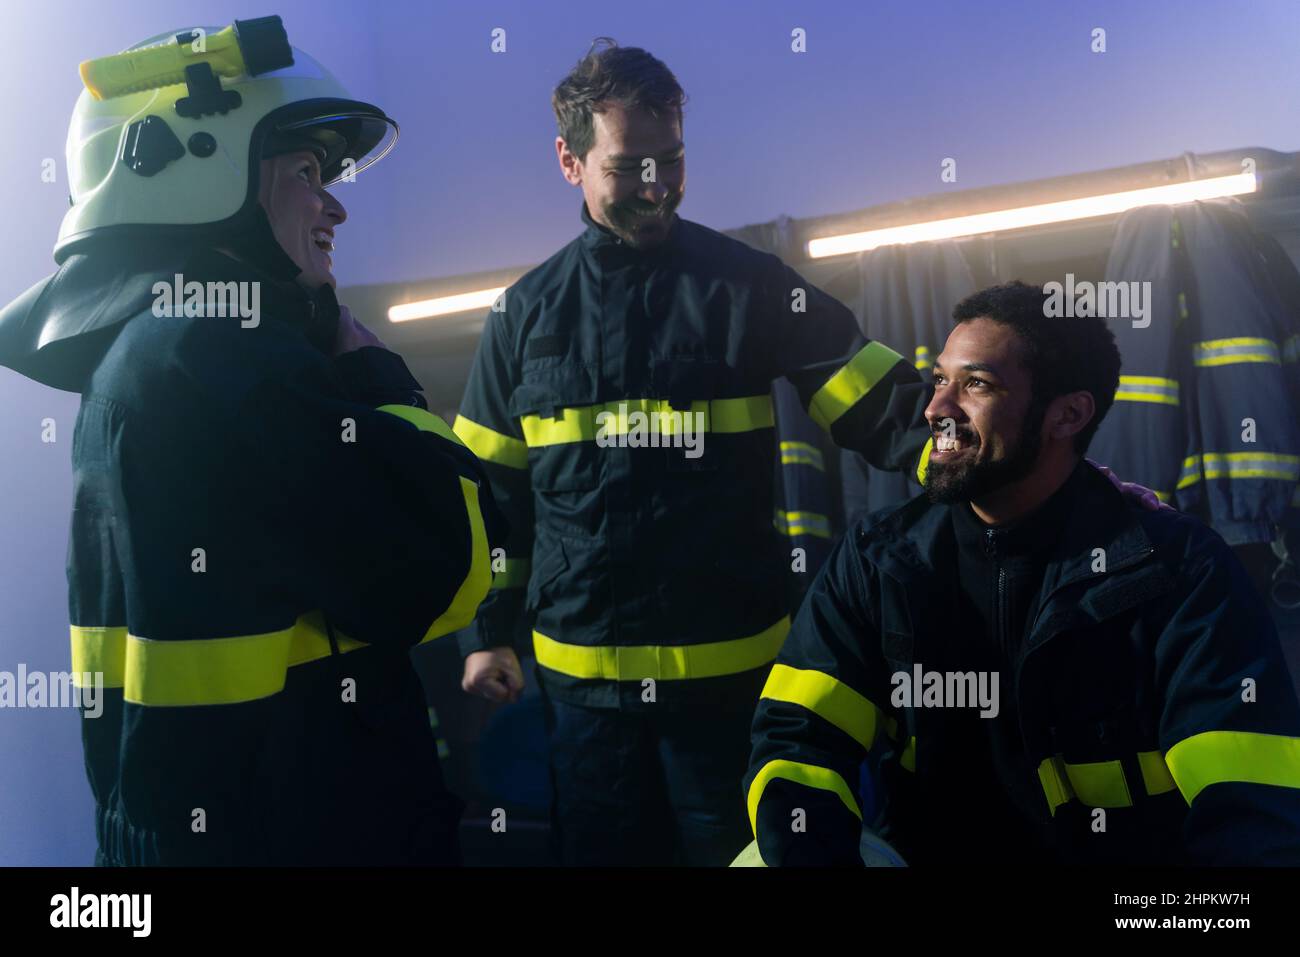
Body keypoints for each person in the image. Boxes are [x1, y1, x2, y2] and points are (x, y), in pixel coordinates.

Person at [452, 40, 1159, 866]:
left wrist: (1062, 486)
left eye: (672, 160)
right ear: (570, 162)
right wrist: (486, 635)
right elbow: (488, 499)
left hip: (732, 699)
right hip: (582, 710)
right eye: (630, 166)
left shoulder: (748, 286)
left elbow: (889, 408)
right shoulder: (522, 317)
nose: (656, 186)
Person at [0, 17, 503, 865]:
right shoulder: (222, 364)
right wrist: (385, 383)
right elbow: (447, 573)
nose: (336, 205)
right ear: (197, 172)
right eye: (307, 172)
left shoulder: (157, 356)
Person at [744, 281, 1300, 865]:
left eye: (976, 384)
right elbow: (797, 743)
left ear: (1068, 415)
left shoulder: (1179, 570)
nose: (935, 409)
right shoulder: (878, 557)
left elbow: (1253, 806)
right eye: (939, 379)